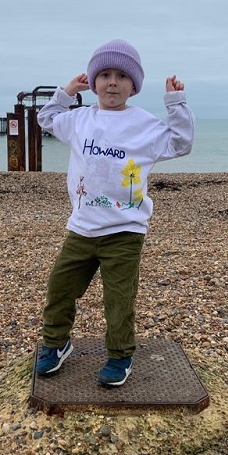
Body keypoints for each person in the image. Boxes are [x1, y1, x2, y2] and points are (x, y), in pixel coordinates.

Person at [36, 39, 194, 387]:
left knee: (118, 298)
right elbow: (45, 119)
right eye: (104, 75)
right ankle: (56, 343)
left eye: (121, 76)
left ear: (133, 86)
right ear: (92, 82)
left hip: (125, 230)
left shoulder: (145, 125)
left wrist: (175, 102)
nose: (112, 82)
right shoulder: (79, 120)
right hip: (81, 228)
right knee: (60, 287)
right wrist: (65, 93)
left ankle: (120, 356)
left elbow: (181, 143)